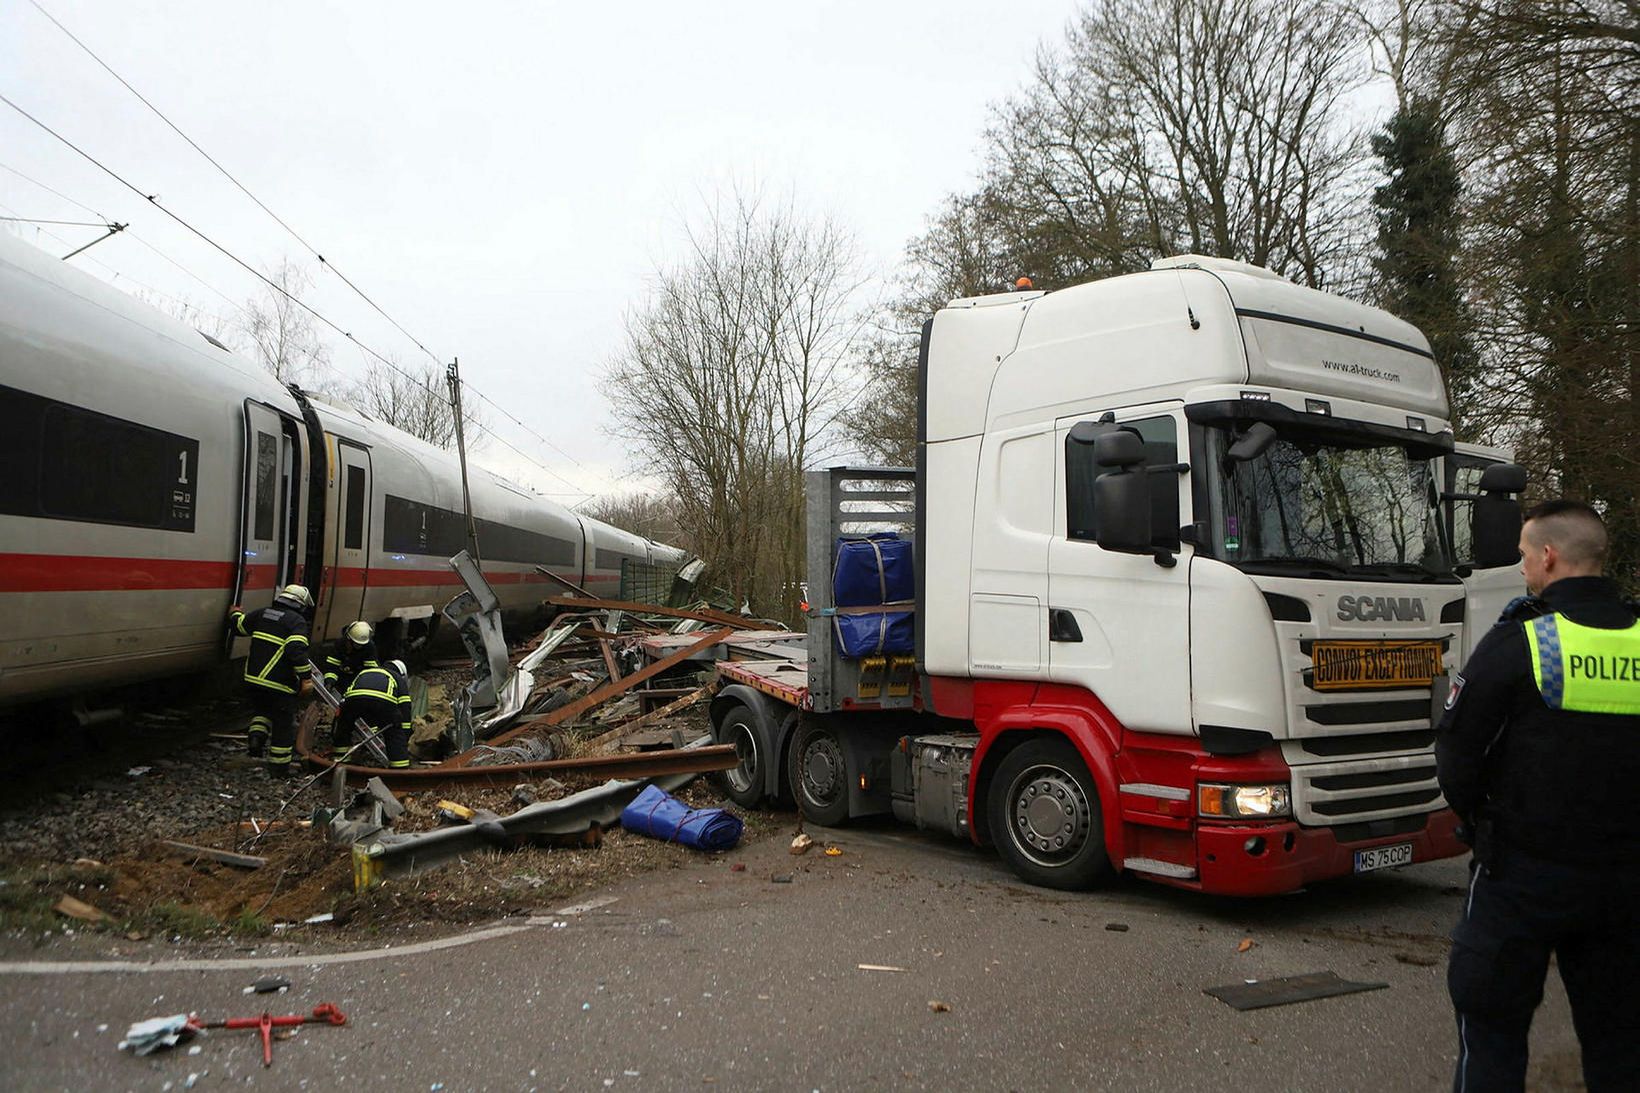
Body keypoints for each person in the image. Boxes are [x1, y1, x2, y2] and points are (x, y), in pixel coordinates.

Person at [1436, 500, 1640, 1091]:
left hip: (1520, 877)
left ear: (1547, 557)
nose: (1524, 569)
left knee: (1492, 1036)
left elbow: (1457, 756)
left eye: (1525, 557)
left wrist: (1481, 824)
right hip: (1627, 884)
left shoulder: (1523, 642)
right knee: (1621, 1042)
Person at [227, 584, 316, 777]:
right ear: (300, 605)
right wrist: (306, 677)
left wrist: (234, 613)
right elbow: (295, 650)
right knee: (283, 724)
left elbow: (239, 626)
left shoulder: (262, 613)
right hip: (279, 683)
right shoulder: (297, 621)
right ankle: (279, 768)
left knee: (262, 711)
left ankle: (256, 740)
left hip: (253, 679)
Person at [335, 658, 413, 769]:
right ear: (402, 674)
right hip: (383, 701)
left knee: (345, 725)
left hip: (354, 699)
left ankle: (340, 759)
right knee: (393, 733)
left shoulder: (365, 671)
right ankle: (399, 766)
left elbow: (350, 691)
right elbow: (405, 707)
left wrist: (343, 710)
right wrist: (404, 733)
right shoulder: (397, 677)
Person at [323, 620, 379, 695]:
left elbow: (370, 672)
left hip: (357, 679)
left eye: (360, 645)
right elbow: (332, 667)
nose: (358, 647)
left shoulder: (369, 648)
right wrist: (329, 682)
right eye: (356, 644)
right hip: (341, 676)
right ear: (348, 639)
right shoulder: (340, 644)